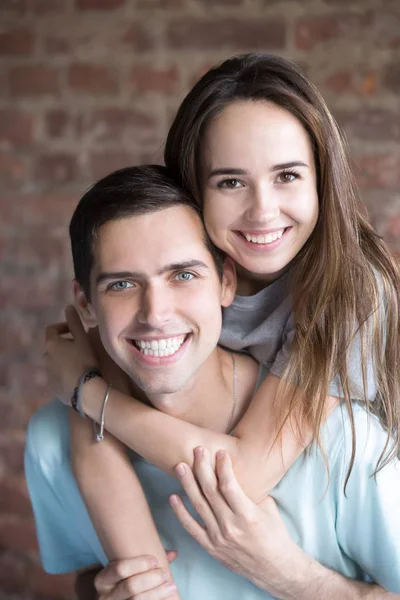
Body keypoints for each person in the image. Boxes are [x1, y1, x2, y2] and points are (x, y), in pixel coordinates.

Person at [27, 50, 400, 596]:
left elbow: (240, 479)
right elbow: (95, 442)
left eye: (288, 176)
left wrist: (88, 393)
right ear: (192, 192)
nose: (262, 212)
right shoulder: (164, 275)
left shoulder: (349, 291)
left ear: (323, 180)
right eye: (230, 182)